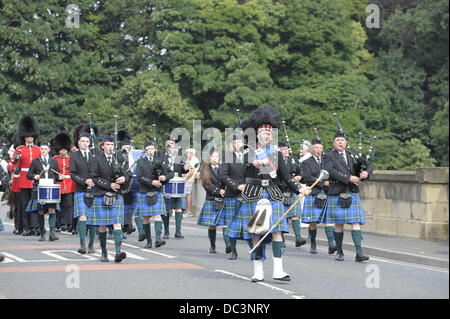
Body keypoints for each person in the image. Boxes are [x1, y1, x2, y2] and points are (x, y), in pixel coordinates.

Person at [226, 105, 311, 282]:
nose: (268, 136)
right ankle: (258, 271)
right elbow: (246, 161)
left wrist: (300, 188)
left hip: (272, 193)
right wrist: (256, 162)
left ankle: (278, 270)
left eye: (270, 134)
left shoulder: (276, 153)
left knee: (277, 231)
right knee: (256, 233)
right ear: (257, 134)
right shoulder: (247, 150)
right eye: (265, 133)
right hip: (253, 193)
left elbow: (286, 176)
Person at [323, 131, 373, 262]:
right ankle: (339, 252)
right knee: (339, 224)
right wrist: (348, 178)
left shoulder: (353, 154)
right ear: (334, 143)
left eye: (342, 140)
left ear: (346, 143)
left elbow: (368, 164)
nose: (340, 142)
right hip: (337, 192)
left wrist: (366, 173)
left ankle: (359, 252)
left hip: (351, 192)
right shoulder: (328, 156)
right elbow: (330, 171)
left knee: (355, 222)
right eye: (338, 140)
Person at [87, 134, 130, 263]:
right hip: (101, 194)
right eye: (107, 145)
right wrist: (109, 184)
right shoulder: (96, 159)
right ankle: (104, 252)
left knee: (117, 223)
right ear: (103, 146)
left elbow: (127, 174)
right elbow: (94, 177)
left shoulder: (120, 158)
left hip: (117, 195)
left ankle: (118, 252)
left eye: (112, 145)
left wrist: (124, 179)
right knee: (102, 225)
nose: (110, 147)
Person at [300, 138, 337, 254]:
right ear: (311, 149)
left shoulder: (326, 161)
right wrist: (322, 183)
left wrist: (329, 183)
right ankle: (313, 244)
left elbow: (332, 174)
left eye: (320, 148)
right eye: (316, 148)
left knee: (329, 219)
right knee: (313, 221)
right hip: (314, 193)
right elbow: (306, 177)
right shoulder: (306, 162)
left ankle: (332, 243)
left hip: (326, 193)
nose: (318, 150)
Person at [135, 141, 173, 248]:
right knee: (146, 217)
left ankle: (158, 239)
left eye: (152, 148)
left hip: (157, 192)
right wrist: (151, 182)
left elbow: (171, 173)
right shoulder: (141, 162)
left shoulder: (159, 160)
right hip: (145, 191)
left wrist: (165, 177)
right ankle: (149, 241)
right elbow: (139, 176)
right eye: (149, 149)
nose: (151, 150)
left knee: (157, 215)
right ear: (145, 150)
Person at [69, 129, 99, 254]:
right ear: (78, 142)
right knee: (82, 216)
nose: (85, 143)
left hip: (95, 191)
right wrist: (85, 181)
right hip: (81, 190)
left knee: (92, 218)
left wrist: (95, 181)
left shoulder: (95, 155)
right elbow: (72, 174)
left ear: (90, 142)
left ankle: (91, 244)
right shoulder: (74, 156)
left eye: (87, 141)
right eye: (82, 141)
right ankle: (82, 244)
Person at [25, 142, 62, 241]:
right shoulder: (35, 161)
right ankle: (42, 234)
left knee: (52, 210)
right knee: (40, 211)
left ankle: (52, 233)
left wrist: (60, 177)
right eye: (42, 149)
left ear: (49, 149)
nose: (44, 151)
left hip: (51, 188)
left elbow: (57, 175)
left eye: (45, 149)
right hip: (39, 188)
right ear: (40, 150)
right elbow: (28, 175)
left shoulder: (53, 161)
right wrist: (34, 176)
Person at [11, 116, 41, 237]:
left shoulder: (38, 149)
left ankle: (35, 226)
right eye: (27, 136)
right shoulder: (19, 149)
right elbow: (11, 164)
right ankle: (26, 227)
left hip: (35, 179)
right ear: (24, 136)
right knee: (24, 205)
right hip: (23, 180)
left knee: (35, 204)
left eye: (31, 136)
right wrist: (15, 166)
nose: (29, 138)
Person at [218, 134, 245, 259]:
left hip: (248, 193)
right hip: (232, 194)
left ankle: (253, 250)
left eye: (241, 142)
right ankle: (233, 250)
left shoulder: (249, 157)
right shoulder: (227, 157)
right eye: (237, 142)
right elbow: (222, 175)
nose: (240, 144)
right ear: (232, 145)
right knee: (231, 223)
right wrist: (236, 186)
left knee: (249, 222)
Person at [277, 142, 307, 247]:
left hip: (291, 190)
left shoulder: (292, 161)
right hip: (280, 191)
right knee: (282, 217)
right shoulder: (274, 162)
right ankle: (281, 240)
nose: (285, 151)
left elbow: (301, 173)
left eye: (286, 149)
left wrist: (299, 177)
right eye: (282, 149)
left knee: (295, 215)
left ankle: (298, 238)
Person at [118, 130, 146, 241]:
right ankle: (123, 229)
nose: (127, 148)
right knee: (124, 207)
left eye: (129, 146)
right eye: (125, 146)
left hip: (135, 182)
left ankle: (141, 232)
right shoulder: (118, 155)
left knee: (138, 207)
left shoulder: (137, 154)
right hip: (124, 182)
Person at [197, 150, 225, 253]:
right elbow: (206, 185)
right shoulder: (205, 169)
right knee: (212, 224)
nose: (215, 158)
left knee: (226, 223)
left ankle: (228, 246)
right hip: (211, 198)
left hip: (224, 198)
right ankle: (212, 246)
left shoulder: (223, 168)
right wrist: (219, 191)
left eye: (217, 157)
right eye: (213, 157)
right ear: (209, 158)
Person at [162, 136, 188, 239]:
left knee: (178, 208)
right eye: (168, 143)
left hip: (178, 182)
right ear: (165, 144)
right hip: (167, 182)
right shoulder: (161, 155)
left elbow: (183, 169)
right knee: (167, 209)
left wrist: (185, 169)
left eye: (172, 143)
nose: (170, 145)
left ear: (175, 145)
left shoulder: (180, 155)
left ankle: (178, 232)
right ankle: (166, 232)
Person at [52, 132, 76, 234]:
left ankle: (68, 223)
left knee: (69, 205)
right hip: (59, 184)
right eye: (61, 149)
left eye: (65, 149)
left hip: (69, 184)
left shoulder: (70, 159)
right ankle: (59, 224)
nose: (63, 151)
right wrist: (58, 177)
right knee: (59, 205)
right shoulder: (54, 159)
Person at [183, 148, 200, 218]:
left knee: (188, 195)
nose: (187, 154)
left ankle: (189, 211)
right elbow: (185, 168)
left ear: (191, 153)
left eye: (188, 153)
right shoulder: (191, 160)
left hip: (190, 179)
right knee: (187, 195)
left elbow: (193, 171)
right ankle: (187, 211)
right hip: (189, 179)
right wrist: (187, 159)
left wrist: (186, 178)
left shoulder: (194, 160)